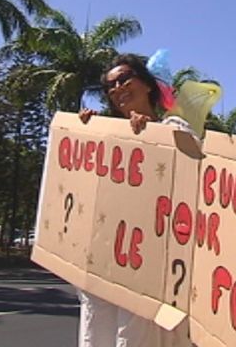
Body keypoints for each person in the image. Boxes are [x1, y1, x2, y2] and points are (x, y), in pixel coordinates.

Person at [78, 54, 195, 347]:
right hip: (102, 262)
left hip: (149, 266)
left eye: (125, 79)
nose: (118, 88)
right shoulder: (106, 133)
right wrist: (84, 135)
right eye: (110, 86)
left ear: (147, 85)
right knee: (98, 334)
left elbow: (192, 172)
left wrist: (152, 136)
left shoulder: (175, 127)